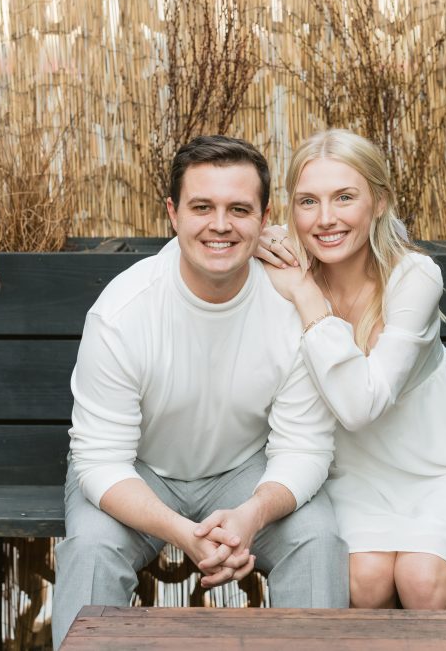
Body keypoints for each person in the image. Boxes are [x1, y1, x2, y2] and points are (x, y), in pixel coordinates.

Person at [52, 135, 348, 648]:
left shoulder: (292, 310)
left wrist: (252, 514)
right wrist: (183, 533)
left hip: (245, 472)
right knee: (91, 547)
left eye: (239, 209)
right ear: (172, 212)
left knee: (317, 538)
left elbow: (304, 447)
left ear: (264, 216)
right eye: (202, 207)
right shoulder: (123, 312)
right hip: (139, 471)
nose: (220, 225)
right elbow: (100, 461)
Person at [256, 128, 446, 609]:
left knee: (421, 576)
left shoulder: (413, 278)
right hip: (351, 476)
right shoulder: (283, 268)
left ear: (379, 202)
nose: (326, 218)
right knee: (365, 579)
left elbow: (361, 405)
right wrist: (259, 240)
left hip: (440, 472)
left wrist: (307, 296)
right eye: (307, 202)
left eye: (345, 197)